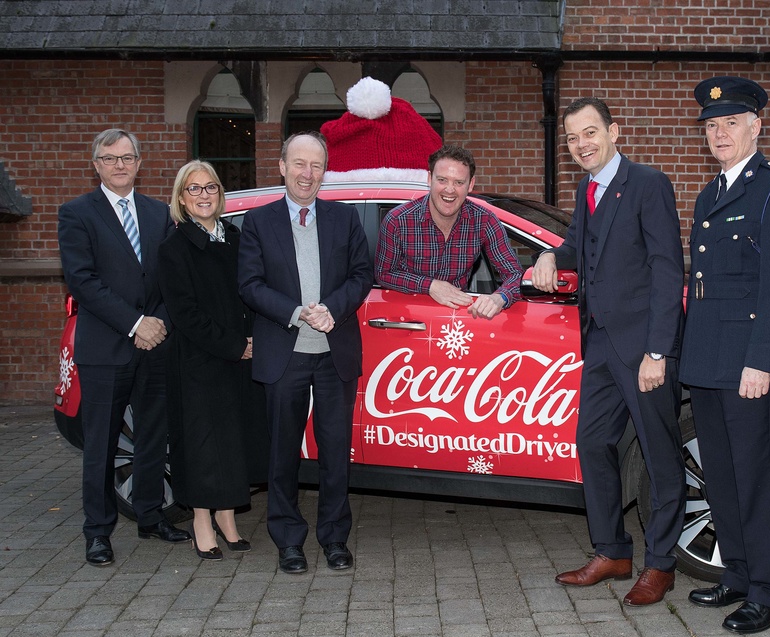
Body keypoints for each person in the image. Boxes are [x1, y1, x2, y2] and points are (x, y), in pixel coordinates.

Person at [533, 97, 687, 606]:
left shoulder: (648, 184)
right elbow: (579, 245)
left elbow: (667, 269)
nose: (582, 145)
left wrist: (658, 352)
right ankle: (612, 552)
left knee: (660, 455)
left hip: (643, 348)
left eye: (590, 133)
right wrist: (551, 252)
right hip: (598, 342)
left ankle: (660, 565)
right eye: (573, 137)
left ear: (614, 131)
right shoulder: (586, 188)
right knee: (593, 442)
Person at [680, 78, 770, 634]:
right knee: (721, 477)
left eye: (730, 123)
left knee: (756, 478)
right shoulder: (710, 193)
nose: (719, 134)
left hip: (748, 362)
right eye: (711, 126)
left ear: (756, 126)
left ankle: (769, 592)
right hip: (707, 358)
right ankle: (735, 573)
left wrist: (764, 362)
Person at [238, 133, 373, 574]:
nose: (306, 174)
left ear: (324, 171)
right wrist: (297, 312)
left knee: (336, 452)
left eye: (315, 166)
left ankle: (335, 538)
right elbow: (251, 285)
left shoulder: (344, 218)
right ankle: (288, 540)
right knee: (283, 454)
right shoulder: (258, 222)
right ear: (282, 166)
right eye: (299, 164)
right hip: (284, 351)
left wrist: (332, 308)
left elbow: (362, 273)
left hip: (335, 353)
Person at [58, 128, 190, 567]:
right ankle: (98, 531)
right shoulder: (77, 213)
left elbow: (174, 279)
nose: (119, 165)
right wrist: (136, 323)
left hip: (156, 344)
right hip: (106, 347)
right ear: (96, 165)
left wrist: (159, 325)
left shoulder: (158, 213)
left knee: (153, 435)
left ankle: (151, 515)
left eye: (127, 157)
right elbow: (83, 281)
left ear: (139, 163)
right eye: (110, 158)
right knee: (102, 443)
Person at [158, 160, 269, 560]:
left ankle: (227, 517)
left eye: (210, 188)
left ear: (219, 194)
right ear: (182, 199)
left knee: (233, 441)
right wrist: (234, 345)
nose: (203, 195)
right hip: (200, 361)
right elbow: (185, 314)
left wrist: (254, 339)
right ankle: (201, 520)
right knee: (203, 446)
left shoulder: (236, 238)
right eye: (194, 189)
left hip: (241, 358)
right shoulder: (174, 248)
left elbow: (252, 291)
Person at [375, 144, 523, 319]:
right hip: (407, 321)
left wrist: (500, 298)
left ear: (471, 184)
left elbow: (515, 275)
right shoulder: (398, 220)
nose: (450, 190)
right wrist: (430, 286)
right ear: (430, 179)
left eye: (459, 182)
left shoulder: (484, 221)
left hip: (457, 323)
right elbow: (383, 274)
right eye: (442, 180)